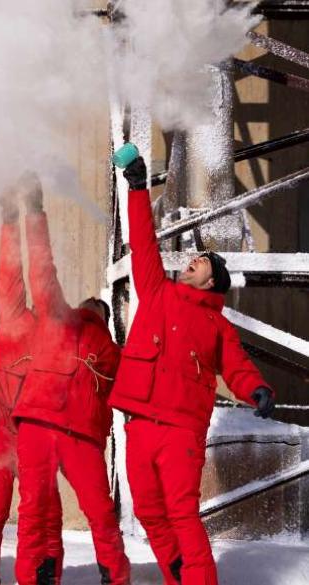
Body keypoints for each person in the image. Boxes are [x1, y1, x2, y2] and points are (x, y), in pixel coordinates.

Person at [111, 157, 275, 585]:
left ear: (211, 281)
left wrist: (256, 389)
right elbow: (143, 244)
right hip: (140, 422)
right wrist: (137, 189)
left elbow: (237, 367)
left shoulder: (217, 325)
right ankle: (180, 574)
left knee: (181, 513)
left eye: (201, 261)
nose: (192, 260)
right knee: (148, 511)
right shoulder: (157, 291)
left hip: (181, 428)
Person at [11, 179, 130, 585]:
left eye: (98, 304)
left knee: (96, 511)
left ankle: (114, 577)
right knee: (36, 511)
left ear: (105, 317)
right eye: (89, 300)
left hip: (79, 434)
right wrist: (35, 212)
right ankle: (37, 578)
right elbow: (43, 272)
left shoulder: (112, 351)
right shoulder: (58, 319)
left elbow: (138, 390)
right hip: (41, 423)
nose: (92, 302)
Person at [0, 187, 63, 585]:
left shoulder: (58, 335)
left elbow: (44, 272)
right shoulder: (15, 321)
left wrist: (37, 210)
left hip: (38, 434)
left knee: (46, 513)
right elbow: (13, 272)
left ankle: (47, 578)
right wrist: (13, 218)